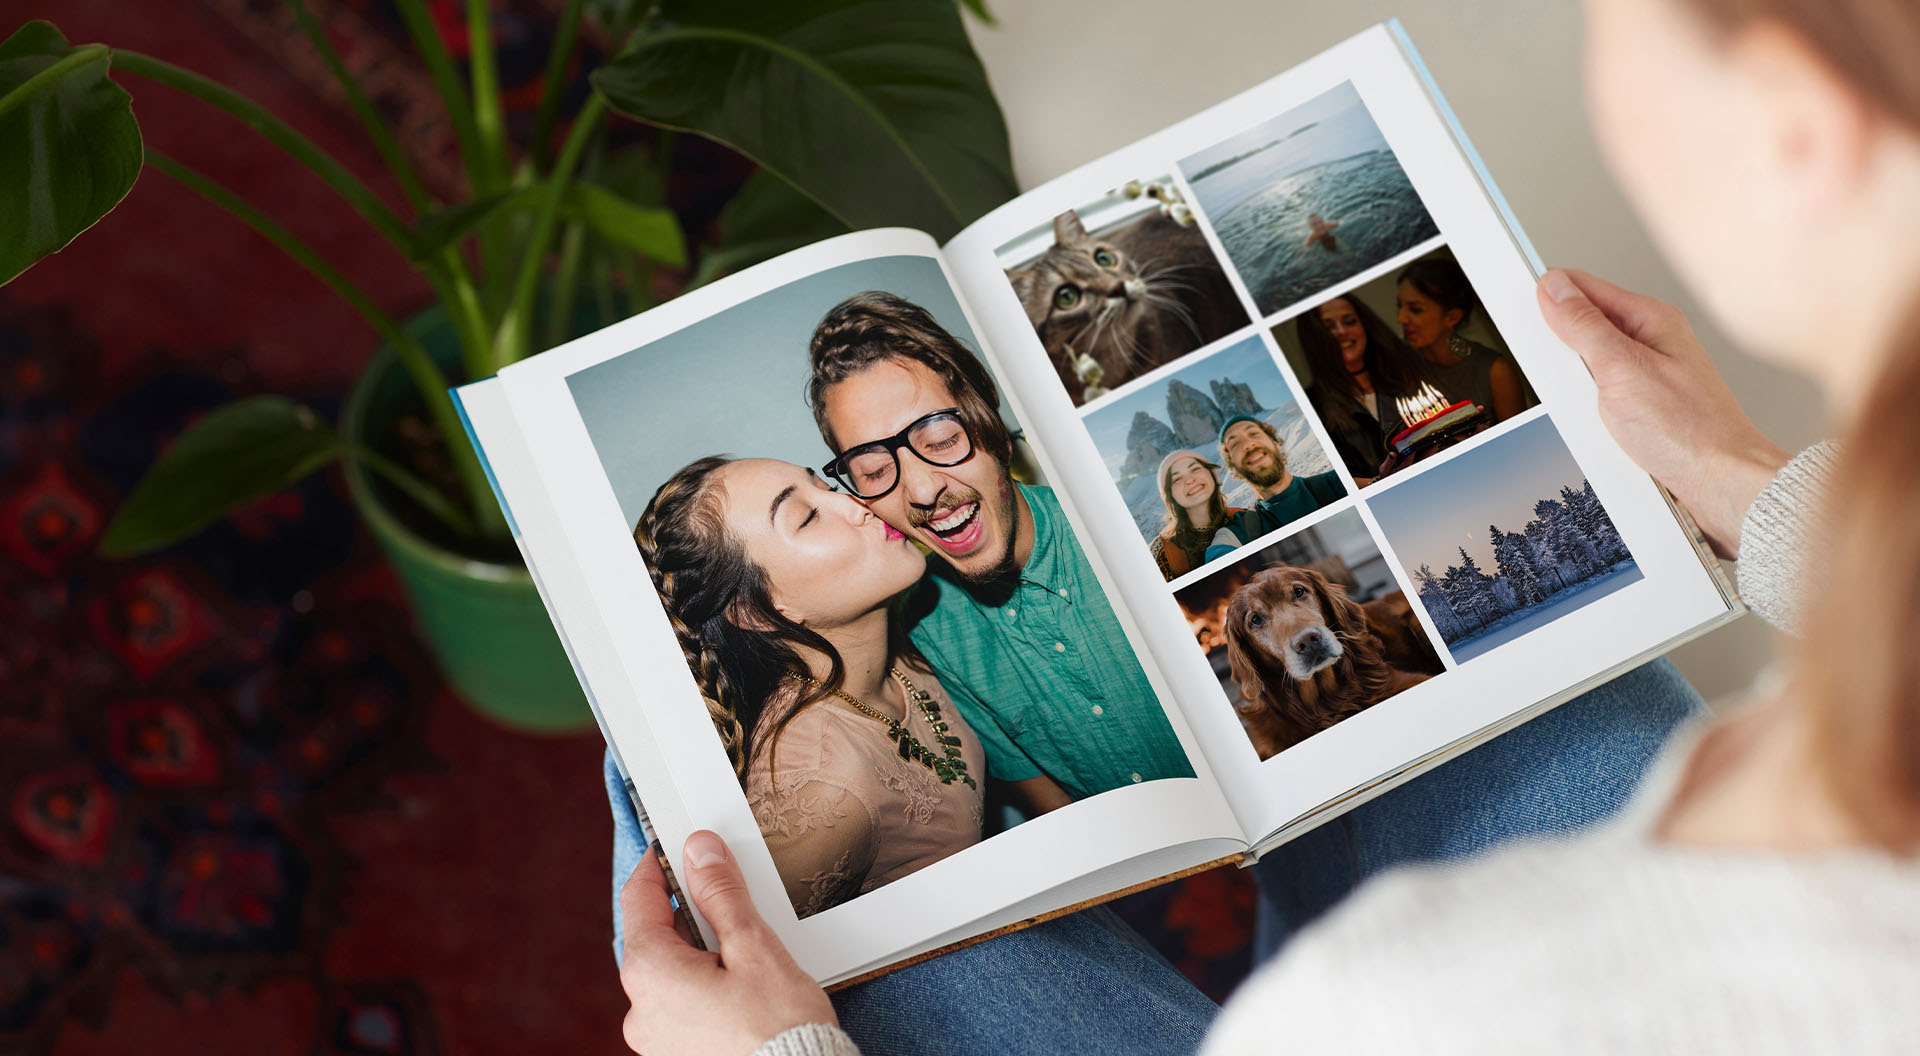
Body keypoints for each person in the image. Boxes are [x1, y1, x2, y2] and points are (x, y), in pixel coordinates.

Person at [806, 291, 1196, 806]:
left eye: (942, 439)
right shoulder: (925, 628)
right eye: (874, 470)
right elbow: (1043, 794)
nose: (922, 491)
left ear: (994, 431)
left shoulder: (1134, 529)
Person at [634, 454, 987, 917]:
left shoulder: (900, 639)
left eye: (824, 486)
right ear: (759, 611)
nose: (857, 504)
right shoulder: (823, 792)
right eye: (808, 517)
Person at [1292, 294, 1429, 479]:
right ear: (1313, 339)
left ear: (1365, 326)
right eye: (1328, 327)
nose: (1341, 331)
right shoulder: (1311, 407)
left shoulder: (1410, 375)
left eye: (1350, 322)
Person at [1396, 257, 1533, 423]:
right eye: (1400, 306)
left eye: (1415, 309)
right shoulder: (1397, 365)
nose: (1401, 318)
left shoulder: (1495, 371)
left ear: (1453, 317)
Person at [1205, 415, 1345, 561]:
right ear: (1233, 470)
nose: (1248, 444)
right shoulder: (1239, 532)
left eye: (1253, 433)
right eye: (1234, 444)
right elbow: (1218, 557)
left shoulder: (1337, 482)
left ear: (1276, 444)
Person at [1149, 449, 1242, 579]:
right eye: (1177, 479)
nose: (1190, 480)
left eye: (1195, 469)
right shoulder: (1163, 551)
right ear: (1170, 496)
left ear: (1212, 475)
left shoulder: (1245, 518)